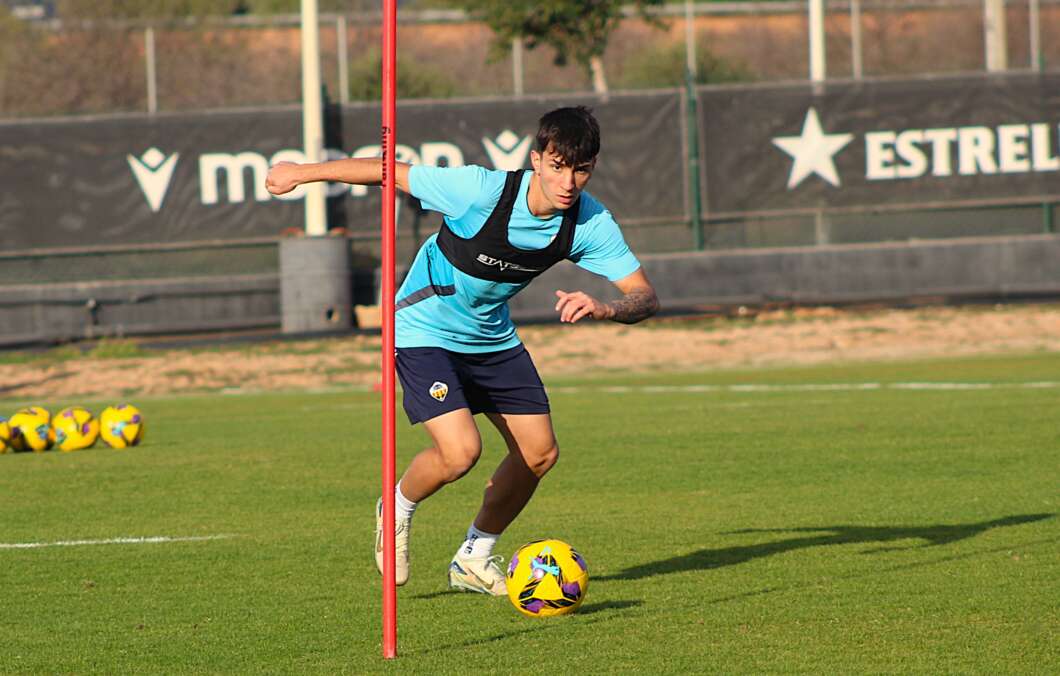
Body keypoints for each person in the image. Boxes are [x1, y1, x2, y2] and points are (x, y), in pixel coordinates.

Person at [265, 106, 659, 595]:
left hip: (491, 337)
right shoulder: (481, 191)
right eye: (558, 166)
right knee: (460, 453)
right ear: (537, 160)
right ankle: (397, 507)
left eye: (580, 169)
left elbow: (644, 295)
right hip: (423, 326)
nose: (568, 182)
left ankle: (473, 556)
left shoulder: (589, 223)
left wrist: (606, 308)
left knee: (539, 454)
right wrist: (302, 174)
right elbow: (388, 171)